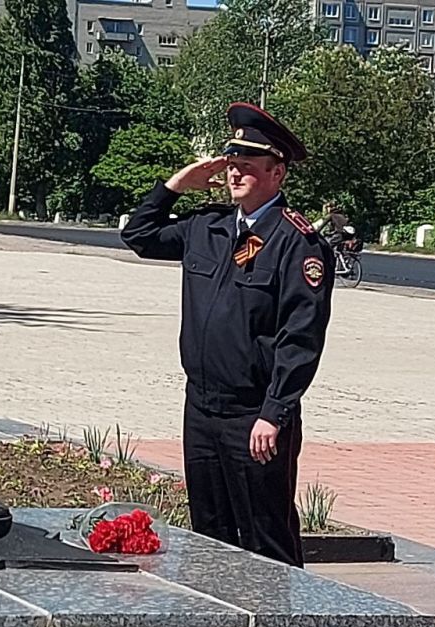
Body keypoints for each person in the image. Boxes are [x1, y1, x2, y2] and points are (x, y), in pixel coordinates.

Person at [120, 102, 334, 568]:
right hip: (201, 406)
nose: (235, 175)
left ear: (277, 173)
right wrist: (176, 184)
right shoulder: (207, 227)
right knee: (209, 534)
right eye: (231, 166)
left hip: (252, 414)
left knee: (266, 535)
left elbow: (300, 338)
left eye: (248, 167)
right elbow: (139, 234)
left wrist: (274, 414)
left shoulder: (297, 244)